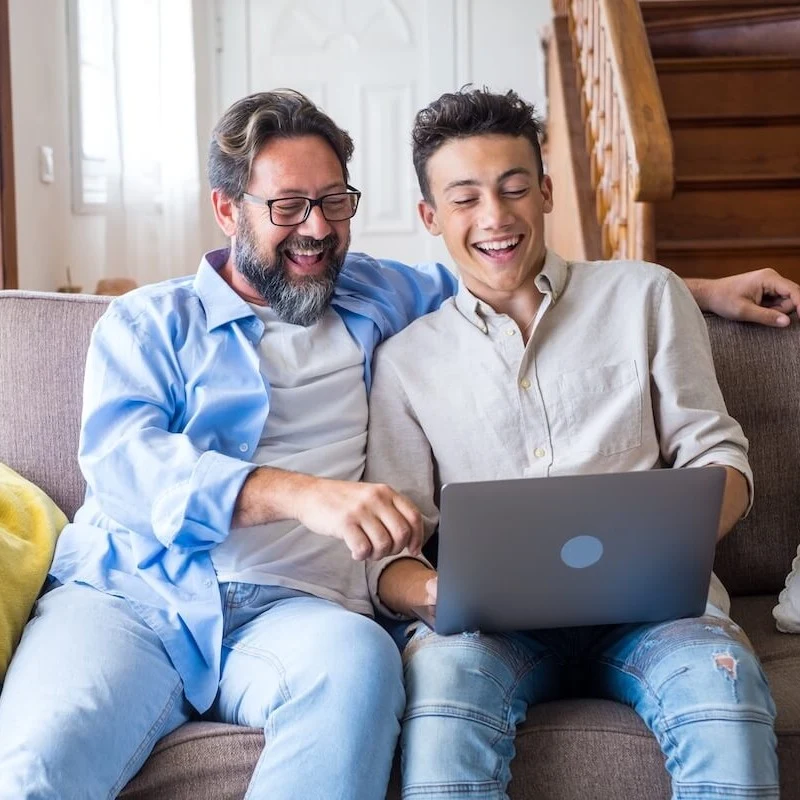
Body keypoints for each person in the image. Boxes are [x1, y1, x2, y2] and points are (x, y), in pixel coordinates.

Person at [0, 89, 791, 799]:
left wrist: (703, 292)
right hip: (134, 597)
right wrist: (300, 493)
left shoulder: (379, 296)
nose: (315, 229)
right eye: (287, 207)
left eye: (334, 201)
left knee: (361, 668)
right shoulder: (148, 323)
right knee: (40, 761)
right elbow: (125, 464)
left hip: (297, 613)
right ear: (226, 207)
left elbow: (519, 276)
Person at [364, 88, 780, 799]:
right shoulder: (406, 361)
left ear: (546, 192)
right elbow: (390, 556)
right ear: (430, 217)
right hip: (493, 633)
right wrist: (435, 593)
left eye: (514, 189)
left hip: (659, 613)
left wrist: (671, 549)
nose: (495, 218)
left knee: (725, 684)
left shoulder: (646, 297)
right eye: (464, 199)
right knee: (441, 679)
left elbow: (720, 456)